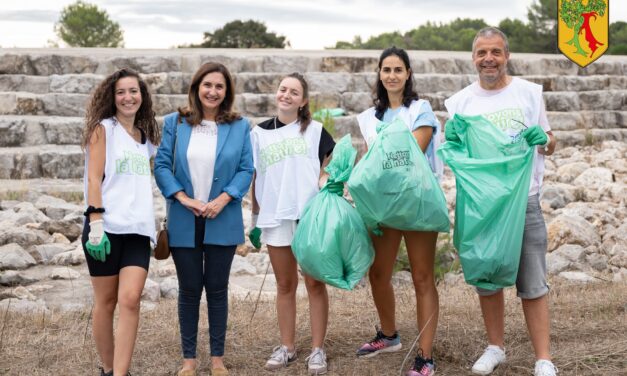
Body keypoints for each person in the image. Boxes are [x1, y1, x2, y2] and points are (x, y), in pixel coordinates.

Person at [444, 27, 557, 376]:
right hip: (482, 207)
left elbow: (550, 141)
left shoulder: (528, 94)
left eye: (495, 52)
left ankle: (543, 358)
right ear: (473, 58)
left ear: (506, 55)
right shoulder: (460, 102)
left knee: (533, 281)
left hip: (524, 201)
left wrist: (544, 140)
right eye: (481, 53)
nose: (488, 59)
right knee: (487, 278)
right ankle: (495, 348)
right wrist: (451, 140)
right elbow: (457, 154)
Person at [154, 62, 254, 376]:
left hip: (222, 217)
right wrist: (184, 198)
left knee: (217, 289)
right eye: (207, 85)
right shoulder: (175, 122)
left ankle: (217, 360)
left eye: (219, 86)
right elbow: (161, 167)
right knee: (189, 289)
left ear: (227, 92)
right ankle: (188, 361)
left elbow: (246, 169)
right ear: (197, 87)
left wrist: (224, 198)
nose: (212, 91)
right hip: (184, 217)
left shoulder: (240, 126)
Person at [354, 46, 443, 376]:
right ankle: (389, 335)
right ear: (379, 74)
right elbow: (369, 161)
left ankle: (425, 355)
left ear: (408, 74)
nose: (392, 75)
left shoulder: (421, 110)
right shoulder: (369, 118)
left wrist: (374, 163)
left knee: (422, 277)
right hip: (383, 204)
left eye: (398, 70)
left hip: (417, 202)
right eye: (386, 69)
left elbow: (412, 151)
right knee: (378, 274)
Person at [248, 73, 336, 375]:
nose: (286, 95)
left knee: (314, 282)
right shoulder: (258, 133)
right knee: (285, 284)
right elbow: (256, 177)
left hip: (308, 214)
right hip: (274, 216)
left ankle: (317, 349)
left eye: (294, 92)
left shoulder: (314, 131)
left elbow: (331, 166)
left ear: (304, 100)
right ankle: (287, 346)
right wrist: (255, 220)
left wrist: (327, 184)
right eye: (283, 89)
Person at [81, 68, 160, 376]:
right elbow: (93, 177)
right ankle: (108, 367)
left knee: (130, 299)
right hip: (106, 229)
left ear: (142, 96)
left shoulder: (146, 140)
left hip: (139, 231)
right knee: (106, 301)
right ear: (111, 98)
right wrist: (96, 223)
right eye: (121, 92)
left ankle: (121, 373)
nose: (128, 97)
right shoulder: (103, 129)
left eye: (134, 91)